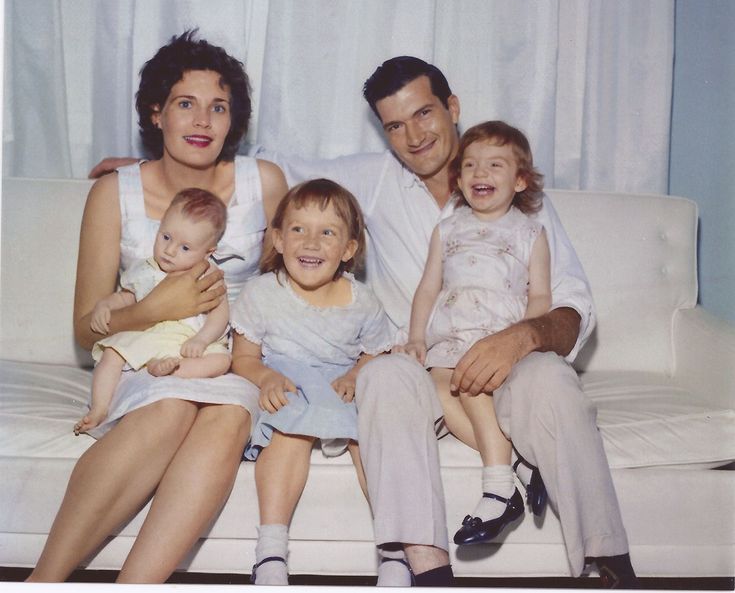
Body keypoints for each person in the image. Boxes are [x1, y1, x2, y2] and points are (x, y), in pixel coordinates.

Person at [89, 55, 636, 588]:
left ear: (452, 107)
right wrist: (160, 169)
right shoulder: (374, 180)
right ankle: (427, 571)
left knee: (554, 380)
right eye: (394, 126)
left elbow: (571, 305)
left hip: (512, 358)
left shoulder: (520, 198)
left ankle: (609, 564)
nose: (414, 136)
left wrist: (522, 337)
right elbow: (280, 172)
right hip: (419, 365)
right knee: (383, 377)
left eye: (424, 114)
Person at [28, 30, 288, 583]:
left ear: (233, 119)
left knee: (227, 413)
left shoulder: (262, 181)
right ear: (156, 113)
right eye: (185, 105)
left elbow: (296, 273)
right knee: (172, 407)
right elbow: (84, 328)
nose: (202, 122)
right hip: (146, 355)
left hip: (228, 356)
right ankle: (42, 581)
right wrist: (152, 309)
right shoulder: (114, 194)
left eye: (218, 108)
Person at [230, 178, 392, 585]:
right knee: (288, 432)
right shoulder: (261, 293)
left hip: (338, 384)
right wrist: (265, 376)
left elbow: (376, 350)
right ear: (279, 239)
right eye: (299, 229)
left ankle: (393, 545)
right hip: (288, 382)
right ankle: (270, 551)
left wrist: (357, 373)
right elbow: (243, 359)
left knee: (370, 439)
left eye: (328, 233)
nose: (312, 242)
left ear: (348, 250)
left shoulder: (362, 301)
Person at [398, 121, 552, 547]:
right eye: (470, 166)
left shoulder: (530, 233)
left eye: (495, 165)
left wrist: (521, 342)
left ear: (520, 180)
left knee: (471, 388)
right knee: (440, 395)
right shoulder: (447, 229)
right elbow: (428, 287)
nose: (480, 174)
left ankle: (498, 488)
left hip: (493, 340)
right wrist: (416, 337)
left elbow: (540, 297)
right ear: (460, 179)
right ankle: (521, 461)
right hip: (448, 338)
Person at [74, 187, 233, 436]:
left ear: (208, 252)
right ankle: (99, 408)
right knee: (112, 354)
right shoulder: (145, 269)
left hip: (189, 341)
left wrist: (202, 339)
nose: (169, 251)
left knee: (222, 361)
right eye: (166, 237)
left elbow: (220, 314)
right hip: (150, 334)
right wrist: (104, 306)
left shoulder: (209, 276)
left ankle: (172, 370)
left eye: (185, 248)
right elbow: (126, 297)